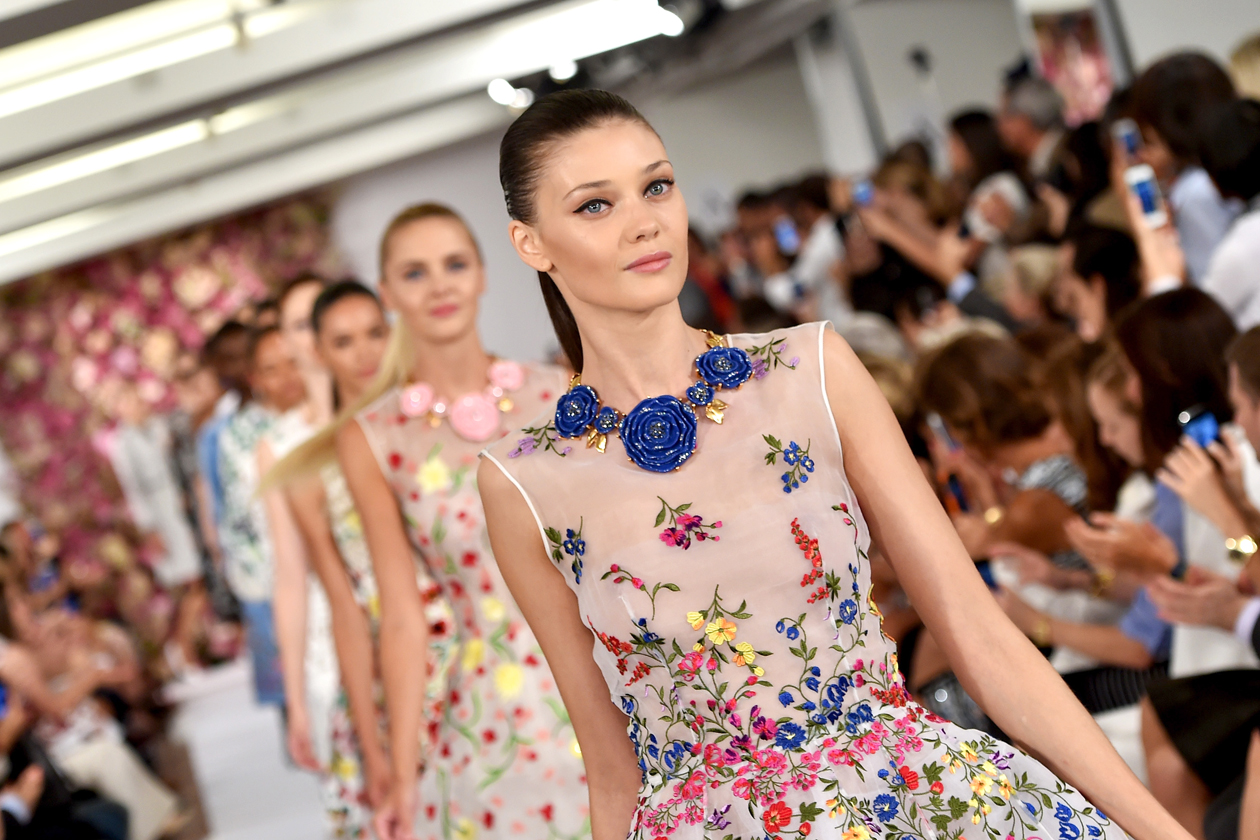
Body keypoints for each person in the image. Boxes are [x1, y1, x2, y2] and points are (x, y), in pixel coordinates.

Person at [479, 88, 1191, 840]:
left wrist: (1162, 831)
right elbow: (610, 765)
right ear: (531, 243)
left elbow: (981, 637)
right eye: (595, 205)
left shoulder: (810, 369)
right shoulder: (524, 481)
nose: (644, 221)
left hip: (913, 801)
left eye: (656, 186)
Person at [335, 204, 587, 839]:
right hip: (489, 714)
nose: (440, 286)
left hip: (602, 677)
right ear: (387, 294)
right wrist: (402, 774)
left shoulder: (560, 391)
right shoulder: (374, 436)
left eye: (454, 264)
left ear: (481, 274)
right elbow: (401, 617)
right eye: (414, 273)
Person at [266, 281, 413, 839]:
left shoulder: (437, 426)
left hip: (479, 641)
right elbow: (334, 603)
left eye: (375, 333)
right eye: (343, 340)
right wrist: (370, 746)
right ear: (317, 351)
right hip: (383, 660)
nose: (364, 352)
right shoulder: (307, 467)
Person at [217, 326, 305, 707]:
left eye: (293, 363)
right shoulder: (240, 435)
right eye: (272, 369)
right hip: (276, 574)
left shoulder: (325, 412)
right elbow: (241, 519)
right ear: (254, 378)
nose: (287, 376)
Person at [1130, 52, 1239, 284]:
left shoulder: (1194, 192)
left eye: (1149, 139)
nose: (1142, 153)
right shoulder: (1230, 168)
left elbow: (1210, 284)